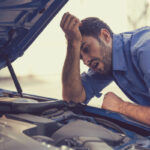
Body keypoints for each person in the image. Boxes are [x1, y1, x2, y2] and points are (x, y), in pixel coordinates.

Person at [60, 12, 150, 125]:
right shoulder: (107, 61)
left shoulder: (145, 49)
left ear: (105, 36)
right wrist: (72, 44)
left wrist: (122, 107)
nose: (86, 61)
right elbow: (72, 99)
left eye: (86, 48)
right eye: (81, 58)